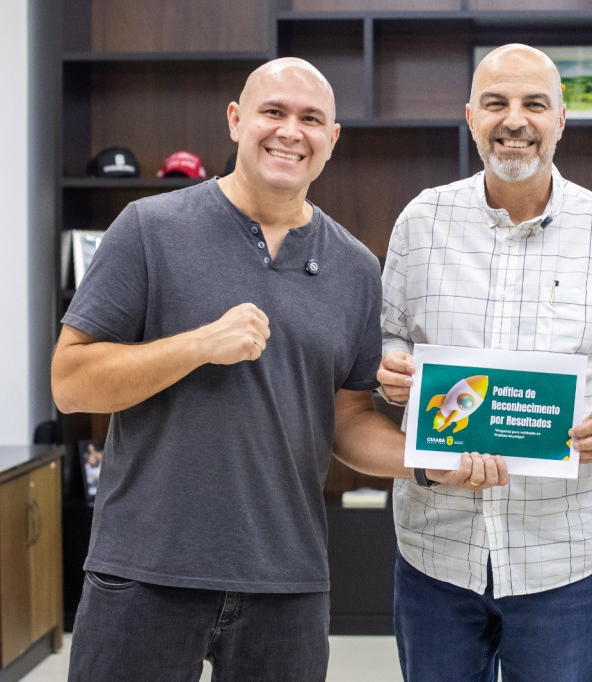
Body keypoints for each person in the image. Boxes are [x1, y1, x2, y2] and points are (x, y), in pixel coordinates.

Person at [51, 57, 503, 681]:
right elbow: (70, 382)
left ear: (331, 140)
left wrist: (430, 462)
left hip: (286, 583)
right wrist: (198, 345)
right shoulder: (149, 228)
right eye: (273, 112)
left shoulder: (354, 267)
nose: (291, 131)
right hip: (145, 571)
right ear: (236, 120)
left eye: (311, 119)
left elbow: (348, 421)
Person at [377, 44, 592, 681]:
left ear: (560, 119)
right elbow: (386, 335)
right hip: (437, 546)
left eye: (534, 104)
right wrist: (391, 367)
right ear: (471, 117)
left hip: (567, 553)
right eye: (496, 103)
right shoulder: (421, 221)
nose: (514, 120)